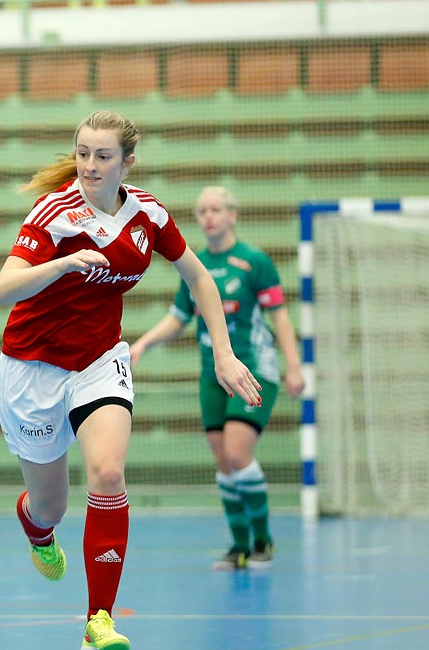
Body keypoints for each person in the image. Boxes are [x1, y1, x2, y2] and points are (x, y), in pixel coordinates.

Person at [0, 112, 261, 650]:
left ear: (127, 162)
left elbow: (198, 278)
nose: (90, 165)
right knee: (52, 508)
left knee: (109, 473)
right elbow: (3, 289)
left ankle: (99, 620)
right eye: (83, 153)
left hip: (98, 360)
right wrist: (62, 265)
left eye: (103, 156)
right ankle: (35, 524)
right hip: (31, 369)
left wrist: (224, 355)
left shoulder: (148, 213)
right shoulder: (55, 214)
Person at [128, 187, 304, 571]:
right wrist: (141, 345)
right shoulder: (195, 264)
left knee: (239, 456)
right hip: (212, 376)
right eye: (202, 210)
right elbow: (179, 317)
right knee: (224, 462)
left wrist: (294, 366)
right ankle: (238, 546)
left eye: (216, 209)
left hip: (253, 369)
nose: (208, 216)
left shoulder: (254, 261)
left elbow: (281, 318)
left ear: (232, 215)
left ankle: (263, 540)